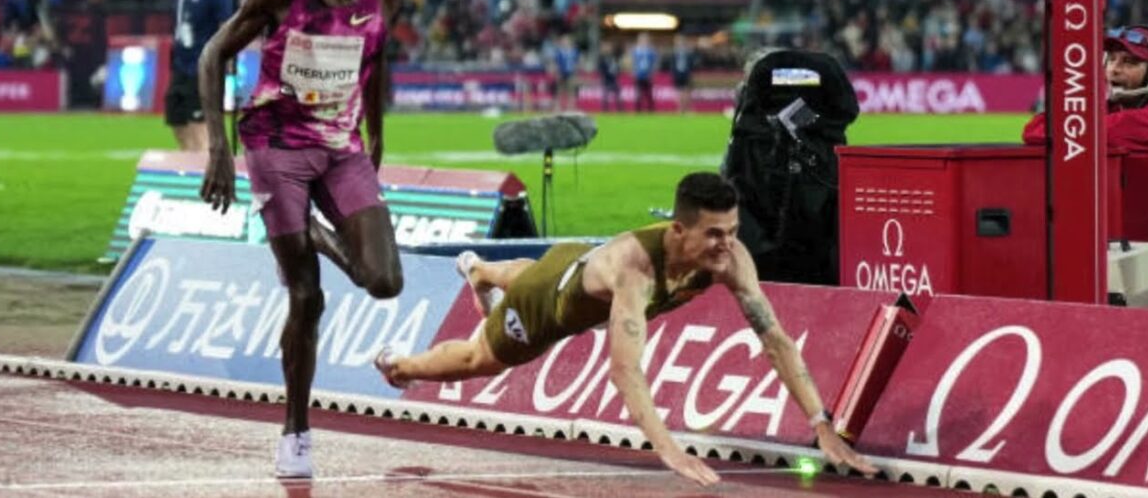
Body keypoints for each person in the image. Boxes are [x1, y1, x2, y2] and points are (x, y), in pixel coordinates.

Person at [375, 172, 878, 487]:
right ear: (677, 231)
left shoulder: (729, 258)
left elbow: (775, 339)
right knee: (476, 358)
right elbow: (624, 369)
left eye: (733, 231)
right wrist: (668, 446)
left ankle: (482, 270)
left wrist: (822, 426)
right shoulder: (635, 269)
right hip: (545, 310)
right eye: (714, 234)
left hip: (572, 263)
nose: (727, 245)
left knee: (540, 268)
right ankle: (398, 364)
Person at [197, 0, 406, 479]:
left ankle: (305, 228)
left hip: (342, 146)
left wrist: (377, 128)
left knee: (384, 280)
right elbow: (214, 53)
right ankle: (296, 430)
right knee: (307, 297)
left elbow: (378, 54)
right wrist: (220, 147)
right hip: (274, 143)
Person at [1023, 25, 1148, 152]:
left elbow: (1114, 130)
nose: (1114, 70)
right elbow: (1034, 128)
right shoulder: (1111, 109)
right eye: (1111, 59)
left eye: (1129, 62)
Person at [167, 0, 233, 151]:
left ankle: (205, 182)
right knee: (178, 125)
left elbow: (225, 28)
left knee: (200, 132)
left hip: (204, 70)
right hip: (181, 67)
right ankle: (191, 180)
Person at [668, 33, 696, 114]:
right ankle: (680, 109)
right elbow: (671, 64)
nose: (679, 43)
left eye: (681, 41)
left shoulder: (688, 53)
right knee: (679, 93)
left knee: (687, 92)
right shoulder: (674, 53)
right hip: (677, 74)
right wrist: (673, 73)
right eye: (678, 41)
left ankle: (688, 109)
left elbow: (692, 64)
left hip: (686, 74)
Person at [552, 33, 579, 111]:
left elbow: (576, 62)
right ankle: (558, 107)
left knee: (571, 91)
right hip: (561, 73)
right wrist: (557, 72)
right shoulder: (559, 52)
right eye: (564, 41)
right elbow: (556, 62)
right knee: (559, 91)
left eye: (566, 41)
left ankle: (570, 107)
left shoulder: (574, 51)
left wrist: (575, 72)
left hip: (570, 73)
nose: (565, 42)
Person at [632, 32, 657, 112]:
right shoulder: (635, 51)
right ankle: (638, 110)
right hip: (639, 75)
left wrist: (652, 73)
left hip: (647, 76)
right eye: (642, 39)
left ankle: (650, 111)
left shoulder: (651, 51)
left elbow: (654, 63)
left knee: (649, 95)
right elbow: (632, 63)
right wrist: (633, 72)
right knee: (638, 94)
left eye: (645, 39)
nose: (644, 41)